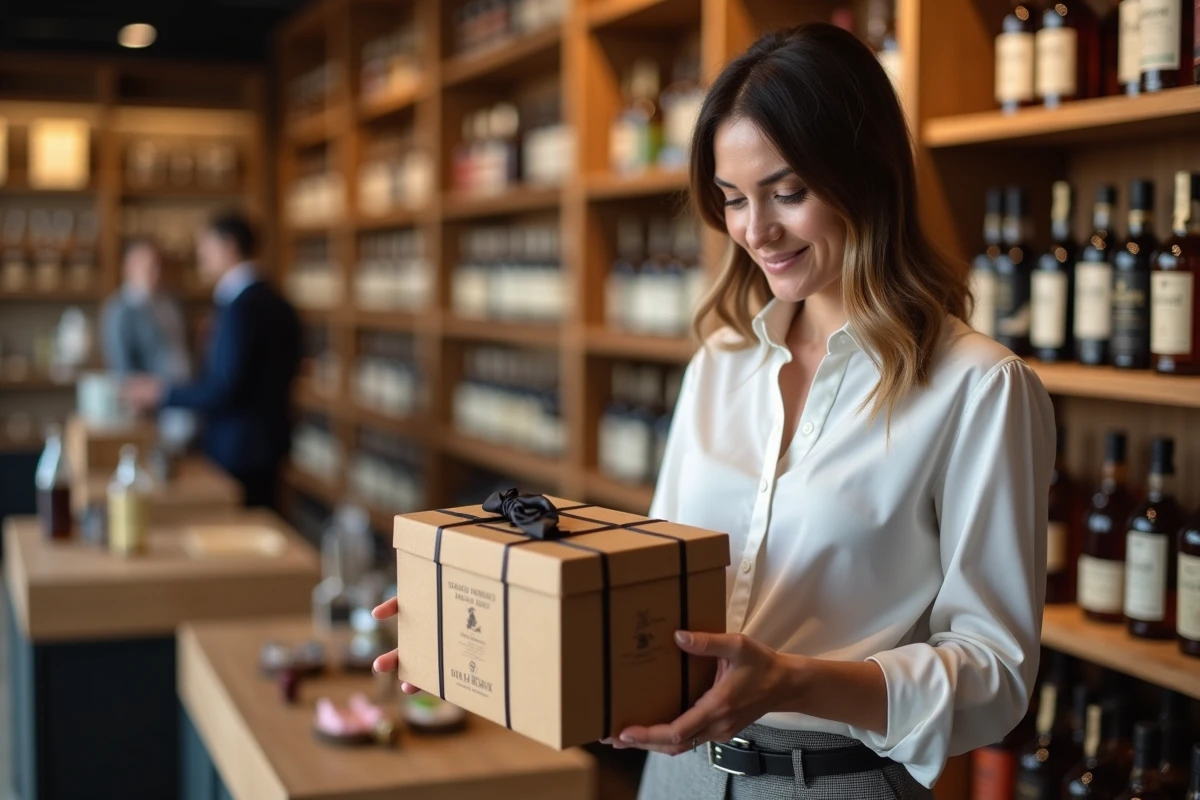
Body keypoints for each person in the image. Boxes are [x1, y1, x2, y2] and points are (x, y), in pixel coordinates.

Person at [371, 24, 1054, 800]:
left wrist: (790, 681)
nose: (755, 231)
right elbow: (653, 585)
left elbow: (995, 678)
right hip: (675, 773)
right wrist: (483, 612)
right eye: (733, 199)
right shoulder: (721, 365)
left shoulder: (979, 387)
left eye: (787, 193)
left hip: (834, 783)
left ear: (866, 174)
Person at [124, 212, 302, 509]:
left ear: (228, 246)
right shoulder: (277, 300)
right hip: (271, 442)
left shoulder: (240, 307)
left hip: (239, 449)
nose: (200, 256)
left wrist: (162, 393)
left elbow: (224, 387)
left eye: (204, 247)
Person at [101, 237, 195, 450]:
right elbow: (122, 369)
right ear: (128, 267)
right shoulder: (119, 310)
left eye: (156, 264)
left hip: (186, 399)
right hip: (155, 410)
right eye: (145, 265)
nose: (153, 271)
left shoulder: (171, 302)